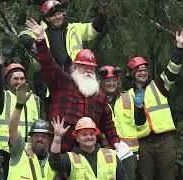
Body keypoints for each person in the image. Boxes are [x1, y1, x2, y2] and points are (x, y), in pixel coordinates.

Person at [26, 18, 120, 153]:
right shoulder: (63, 82)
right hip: (62, 151)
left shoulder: (99, 95)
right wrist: (40, 40)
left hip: (89, 153)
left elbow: (108, 125)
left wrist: (117, 143)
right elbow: (48, 65)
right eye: (83, 67)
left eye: (91, 68)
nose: (88, 70)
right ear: (75, 67)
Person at [125, 28, 183, 180]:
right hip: (143, 145)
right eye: (138, 70)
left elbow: (173, 69)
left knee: (168, 177)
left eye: (145, 69)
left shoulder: (159, 85)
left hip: (164, 142)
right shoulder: (127, 96)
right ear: (132, 75)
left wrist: (178, 47)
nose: (143, 72)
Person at [0, 53, 40, 179]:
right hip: (8, 151)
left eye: (22, 79)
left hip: (30, 151)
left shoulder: (33, 99)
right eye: (16, 79)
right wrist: (0, 61)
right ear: (8, 81)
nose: (19, 82)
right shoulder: (2, 97)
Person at [20, 0, 108, 71]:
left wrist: (101, 16)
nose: (58, 17)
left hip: (76, 71)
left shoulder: (74, 28)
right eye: (53, 15)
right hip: (53, 74)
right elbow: (23, 35)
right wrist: (32, 43)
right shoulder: (41, 30)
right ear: (47, 18)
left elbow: (92, 29)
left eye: (59, 13)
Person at [49, 116, 129, 180]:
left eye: (91, 134)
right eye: (84, 134)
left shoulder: (110, 155)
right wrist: (57, 138)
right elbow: (54, 164)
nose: (89, 137)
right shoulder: (69, 158)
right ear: (77, 138)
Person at [7, 82, 56, 179]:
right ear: (31, 137)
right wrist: (19, 104)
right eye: (36, 136)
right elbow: (12, 127)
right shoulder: (20, 150)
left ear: (49, 139)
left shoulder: (52, 160)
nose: (39, 139)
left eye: (44, 136)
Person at [99, 65, 138, 180]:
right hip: (106, 152)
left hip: (129, 153)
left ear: (118, 81)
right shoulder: (97, 100)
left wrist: (140, 108)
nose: (111, 83)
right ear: (101, 82)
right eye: (108, 81)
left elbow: (140, 123)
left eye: (114, 80)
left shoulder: (128, 97)